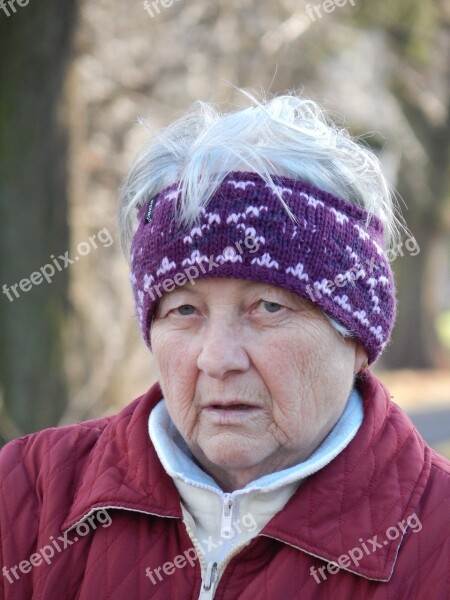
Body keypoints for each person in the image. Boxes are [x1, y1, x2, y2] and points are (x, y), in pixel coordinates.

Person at [1, 93, 449, 600]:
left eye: (268, 308)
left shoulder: (438, 541)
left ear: (358, 337)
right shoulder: (28, 495)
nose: (217, 359)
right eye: (184, 311)